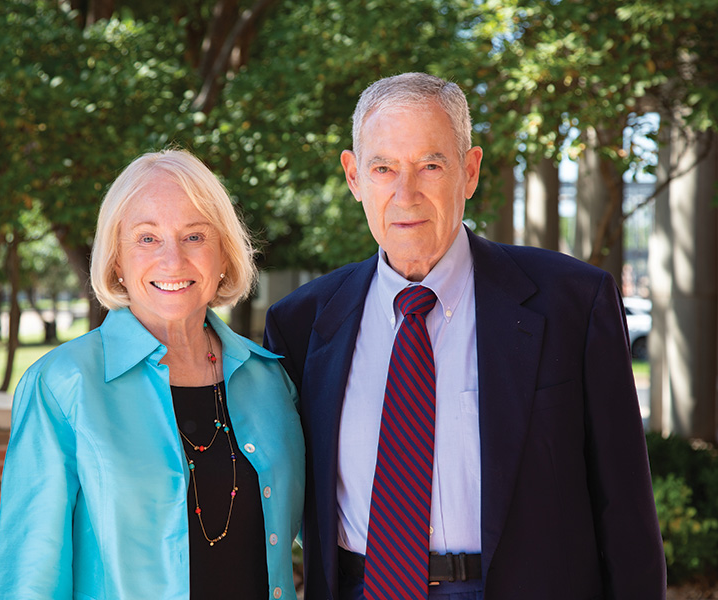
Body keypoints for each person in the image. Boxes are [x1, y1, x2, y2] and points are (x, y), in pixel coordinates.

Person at [264, 73, 665, 600]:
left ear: (470, 171)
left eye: (431, 165)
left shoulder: (573, 303)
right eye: (383, 167)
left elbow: (627, 514)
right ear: (354, 176)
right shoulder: (301, 323)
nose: (406, 193)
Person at [0, 149, 305, 600]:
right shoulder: (62, 386)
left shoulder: (270, 380)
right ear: (117, 260)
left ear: (224, 254)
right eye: (146, 238)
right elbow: (30, 581)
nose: (172, 260)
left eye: (195, 236)